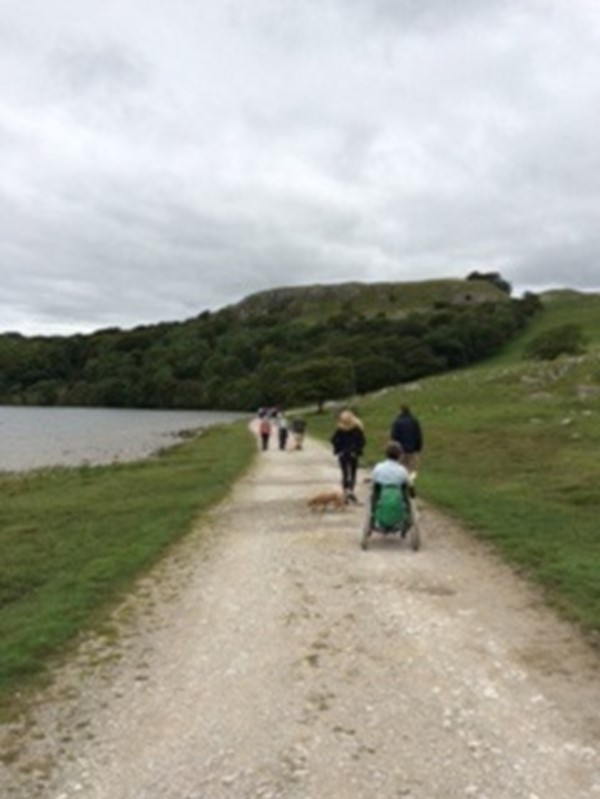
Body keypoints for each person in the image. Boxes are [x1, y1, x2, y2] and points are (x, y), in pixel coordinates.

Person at [367, 441, 411, 534]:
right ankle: (407, 519)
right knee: (406, 493)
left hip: (381, 493)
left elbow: (373, 480)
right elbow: (408, 482)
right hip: (397, 493)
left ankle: (372, 518)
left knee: (374, 494)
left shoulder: (379, 467)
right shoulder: (402, 470)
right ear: (399, 455)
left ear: (386, 454)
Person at [330, 409, 366, 504]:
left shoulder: (339, 430)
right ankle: (350, 490)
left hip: (343, 453)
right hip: (353, 453)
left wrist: (338, 450)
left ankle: (345, 491)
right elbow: (361, 441)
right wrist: (357, 451)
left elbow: (333, 440)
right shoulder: (357, 429)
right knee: (353, 473)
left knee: (345, 473)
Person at [389, 404, 423, 471]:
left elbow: (394, 437)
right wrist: (418, 448)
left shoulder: (397, 422)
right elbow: (418, 435)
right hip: (412, 450)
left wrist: (393, 449)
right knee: (411, 470)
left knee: (400, 469)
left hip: (401, 450)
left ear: (401, 411)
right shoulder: (414, 421)